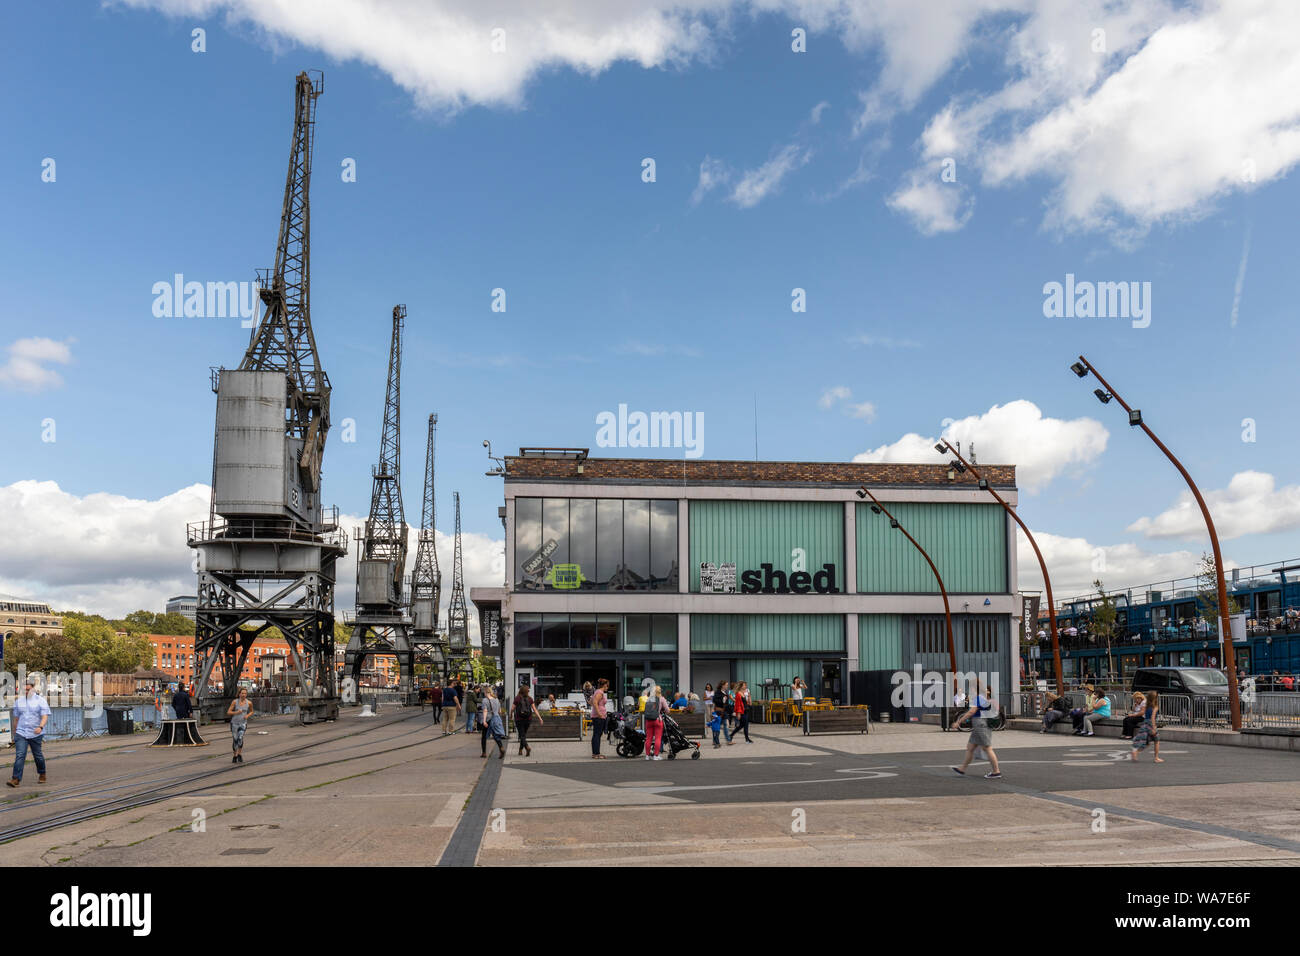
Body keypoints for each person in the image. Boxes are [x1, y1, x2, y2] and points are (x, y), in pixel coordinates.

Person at [950, 682, 1002, 779]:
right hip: (979, 725)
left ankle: (996, 771)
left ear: (975, 688)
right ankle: (962, 769)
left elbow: (971, 712)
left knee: (987, 748)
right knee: (970, 747)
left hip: (981, 725)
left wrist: (959, 722)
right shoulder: (982, 697)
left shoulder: (979, 698)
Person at [7, 676, 50, 787]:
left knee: (38, 756)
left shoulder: (41, 701)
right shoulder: (18, 702)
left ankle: (42, 773)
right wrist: (14, 734)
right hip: (21, 733)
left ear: (33, 689)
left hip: (36, 733)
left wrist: (40, 727)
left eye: (28, 689)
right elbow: (16, 719)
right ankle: (16, 779)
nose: (26, 691)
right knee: (20, 755)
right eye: (24, 689)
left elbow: (45, 717)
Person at [1129, 690, 1162, 763]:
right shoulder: (1155, 706)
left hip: (1145, 723)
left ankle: (1135, 752)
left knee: (1147, 742)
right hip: (1151, 724)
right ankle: (1156, 758)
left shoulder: (1147, 705)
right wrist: (1154, 727)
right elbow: (1153, 717)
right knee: (1157, 740)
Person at [511, 683, 542, 757]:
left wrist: (510, 715)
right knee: (523, 734)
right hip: (528, 719)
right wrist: (540, 718)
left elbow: (512, 708)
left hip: (519, 719)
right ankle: (520, 750)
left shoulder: (517, 698)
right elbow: (534, 709)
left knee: (522, 735)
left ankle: (527, 747)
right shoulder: (530, 699)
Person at [480, 685, 507, 760]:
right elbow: (499, 711)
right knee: (496, 735)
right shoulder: (496, 699)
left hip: (488, 719)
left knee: (484, 736)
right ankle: (501, 747)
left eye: (484, 692)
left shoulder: (485, 700)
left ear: (485, 692)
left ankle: (484, 753)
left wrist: (484, 721)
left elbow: (485, 711)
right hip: (495, 719)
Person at [227, 687, 252, 764]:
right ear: (239, 694)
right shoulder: (235, 702)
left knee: (240, 738)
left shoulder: (249, 703)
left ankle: (239, 754)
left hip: (243, 723)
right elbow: (228, 712)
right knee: (235, 739)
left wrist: (247, 716)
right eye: (242, 693)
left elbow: (251, 711)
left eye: (245, 693)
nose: (244, 695)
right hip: (234, 723)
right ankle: (234, 755)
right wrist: (236, 712)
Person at [643, 685, 668, 760]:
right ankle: (656, 756)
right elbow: (667, 710)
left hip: (648, 720)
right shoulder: (661, 699)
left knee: (648, 738)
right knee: (658, 738)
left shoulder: (649, 699)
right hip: (657, 720)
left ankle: (647, 756)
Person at [589, 678, 609, 758]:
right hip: (598, 716)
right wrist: (599, 713)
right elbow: (594, 702)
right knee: (597, 734)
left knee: (596, 734)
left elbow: (591, 702)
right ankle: (596, 754)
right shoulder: (600, 692)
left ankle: (595, 753)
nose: (607, 687)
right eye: (607, 685)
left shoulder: (597, 692)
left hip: (597, 715)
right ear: (604, 685)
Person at [710, 683, 732, 747]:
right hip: (718, 711)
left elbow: (726, 703)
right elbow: (714, 700)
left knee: (725, 725)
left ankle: (728, 740)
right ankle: (715, 740)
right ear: (722, 685)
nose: (727, 686)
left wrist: (730, 710)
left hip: (724, 712)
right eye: (726, 685)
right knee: (717, 726)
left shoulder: (726, 693)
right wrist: (722, 700)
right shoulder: (717, 692)